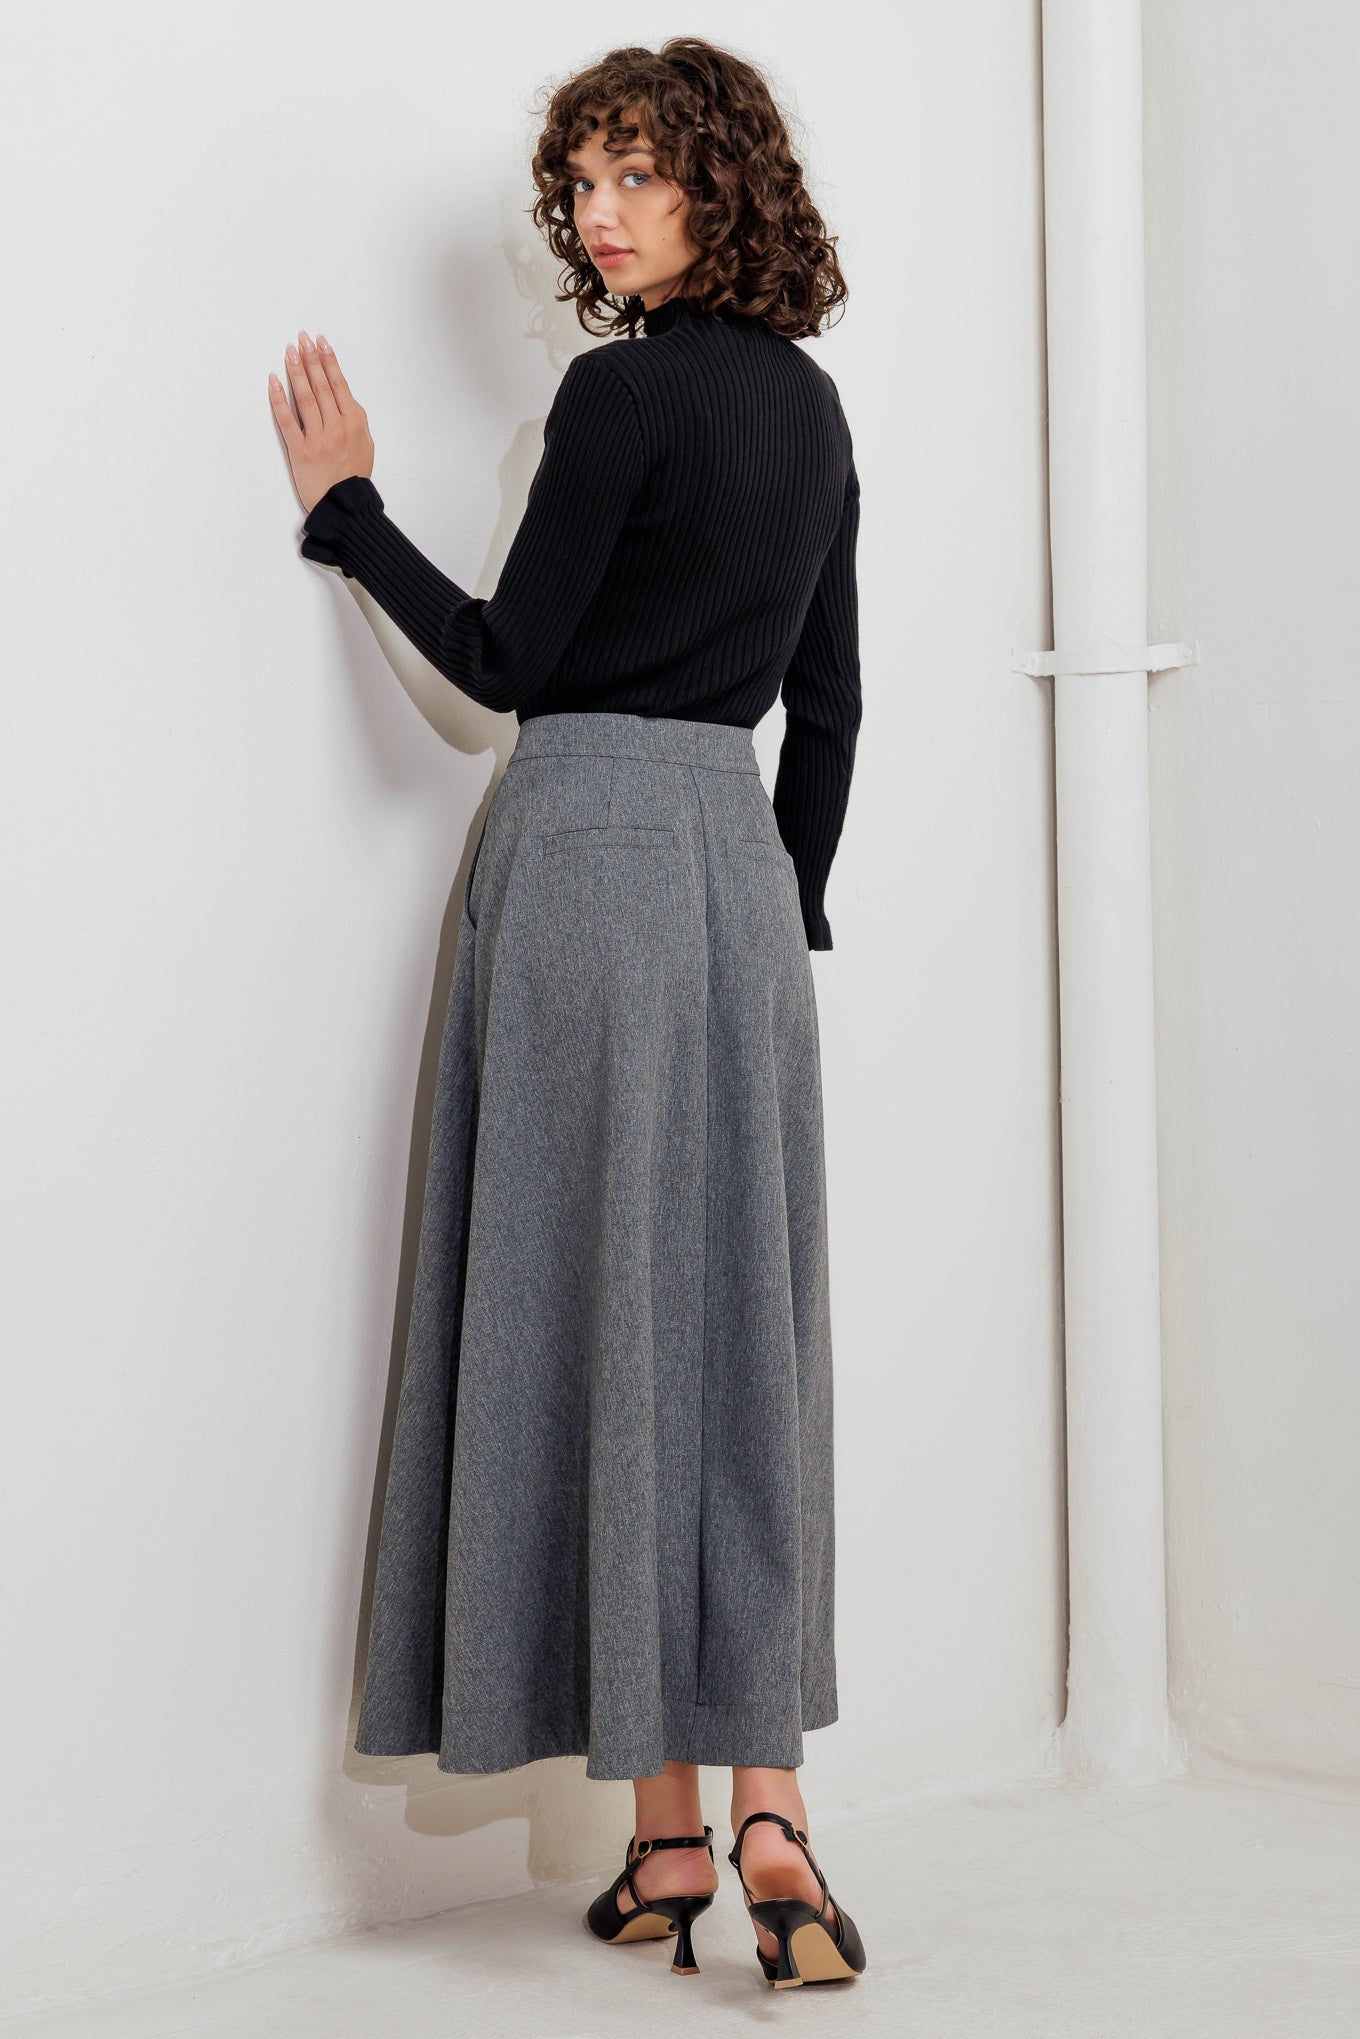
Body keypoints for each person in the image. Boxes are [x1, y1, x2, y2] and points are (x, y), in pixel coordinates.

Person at [268, 36, 867, 1993]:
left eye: (637, 177)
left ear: (716, 189)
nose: (601, 216)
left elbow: (507, 660)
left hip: (590, 853)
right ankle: (735, 1830)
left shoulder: (619, 396)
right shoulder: (814, 414)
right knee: (730, 1336)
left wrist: (349, 511)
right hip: (736, 883)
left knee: (589, 1314)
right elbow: (832, 710)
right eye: (584, 183)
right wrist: (777, 911)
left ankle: (688, 1827)